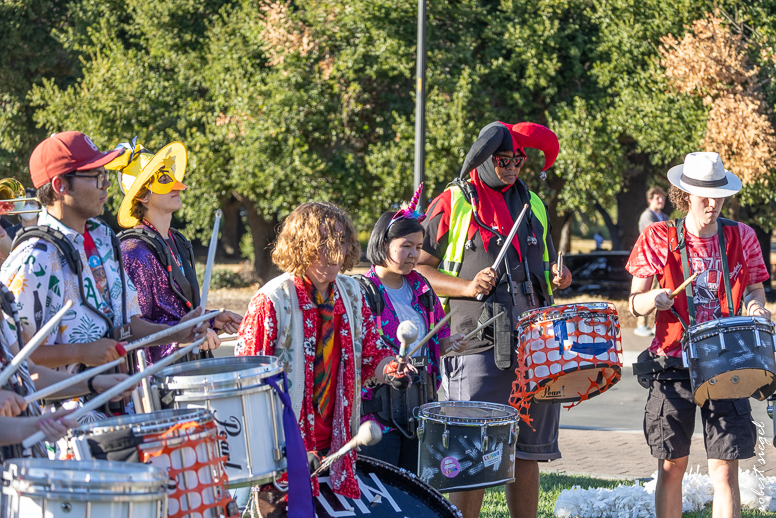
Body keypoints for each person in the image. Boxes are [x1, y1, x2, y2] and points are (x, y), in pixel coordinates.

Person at [416, 121, 572, 518]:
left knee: (526, 451)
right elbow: (416, 270)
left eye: (518, 161)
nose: (511, 168)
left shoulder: (533, 203)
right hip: (475, 343)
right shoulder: (453, 201)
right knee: (473, 453)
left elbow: (547, 265)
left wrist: (561, 276)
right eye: (503, 161)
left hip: (535, 345)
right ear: (484, 159)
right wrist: (467, 286)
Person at [0, 132, 208, 402]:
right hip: (68, 428)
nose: (106, 185)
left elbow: (128, 327)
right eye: (96, 176)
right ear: (60, 186)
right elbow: (13, 358)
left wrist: (177, 331)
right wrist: (82, 353)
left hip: (124, 414)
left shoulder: (104, 240)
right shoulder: (32, 258)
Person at [235, 201, 414, 500]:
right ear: (300, 246)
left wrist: (391, 369)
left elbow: (371, 353)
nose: (335, 252)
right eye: (323, 244)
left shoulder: (352, 294)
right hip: (283, 447)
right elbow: (246, 384)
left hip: (337, 441)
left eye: (341, 242)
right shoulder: (270, 301)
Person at [627, 152, 769, 518]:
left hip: (727, 361)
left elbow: (755, 291)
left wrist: (755, 307)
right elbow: (633, 302)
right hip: (672, 361)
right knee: (671, 466)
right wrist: (652, 299)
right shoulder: (657, 236)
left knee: (725, 468)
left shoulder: (743, 235)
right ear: (684, 194)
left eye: (719, 194)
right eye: (705, 195)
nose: (713, 202)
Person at [356, 183, 469, 471]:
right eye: (406, 246)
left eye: (418, 248)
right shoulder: (362, 291)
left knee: (417, 494)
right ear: (383, 245)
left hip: (420, 410)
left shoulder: (422, 287)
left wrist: (448, 344)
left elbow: (435, 341)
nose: (414, 255)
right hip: (378, 416)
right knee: (381, 497)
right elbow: (359, 354)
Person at [108, 139, 242, 364]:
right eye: (163, 180)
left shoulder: (175, 241)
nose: (178, 186)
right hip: (161, 380)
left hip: (190, 368)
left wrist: (211, 320)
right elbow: (133, 328)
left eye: (173, 177)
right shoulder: (133, 253)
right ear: (142, 195)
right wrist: (186, 337)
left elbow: (174, 311)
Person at [634, 186, 669, 337]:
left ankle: (656, 324)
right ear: (650, 200)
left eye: (662, 198)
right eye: (657, 198)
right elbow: (656, 237)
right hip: (649, 260)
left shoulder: (665, 216)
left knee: (660, 291)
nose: (661, 200)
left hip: (663, 260)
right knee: (646, 292)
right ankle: (641, 325)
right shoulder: (647, 216)